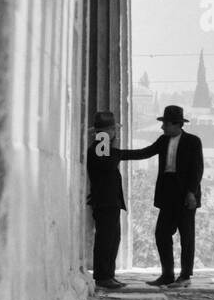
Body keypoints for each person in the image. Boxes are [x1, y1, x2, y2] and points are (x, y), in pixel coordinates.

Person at [85, 110, 157, 290]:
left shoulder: (105, 149)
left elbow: (134, 154)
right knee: (105, 240)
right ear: (107, 132)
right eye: (112, 130)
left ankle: (108, 275)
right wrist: (110, 145)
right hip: (105, 202)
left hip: (111, 202)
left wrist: (156, 147)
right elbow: (108, 163)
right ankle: (102, 276)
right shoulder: (99, 149)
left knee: (113, 239)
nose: (114, 133)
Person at [137, 105, 204, 288]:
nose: (162, 128)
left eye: (165, 124)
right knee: (161, 234)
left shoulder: (193, 141)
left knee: (186, 236)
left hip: (185, 194)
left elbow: (197, 170)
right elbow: (145, 152)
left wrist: (191, 193)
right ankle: (167, 274)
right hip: (167, 193)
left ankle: (185, 276)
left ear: (176, 124)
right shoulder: (163, 140)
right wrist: (118, 155)